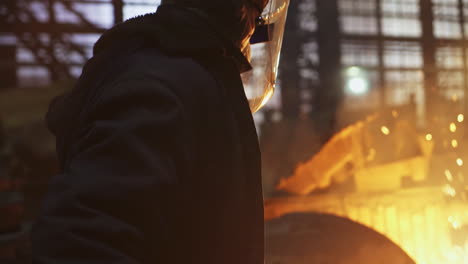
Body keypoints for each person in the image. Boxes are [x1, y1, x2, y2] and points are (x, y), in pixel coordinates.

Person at [31, 0, 274, 263]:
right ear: (238, 10)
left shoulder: (188, 71)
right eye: (256, 16)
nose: (255, 30)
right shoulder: (163, 86)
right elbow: (81, 242)